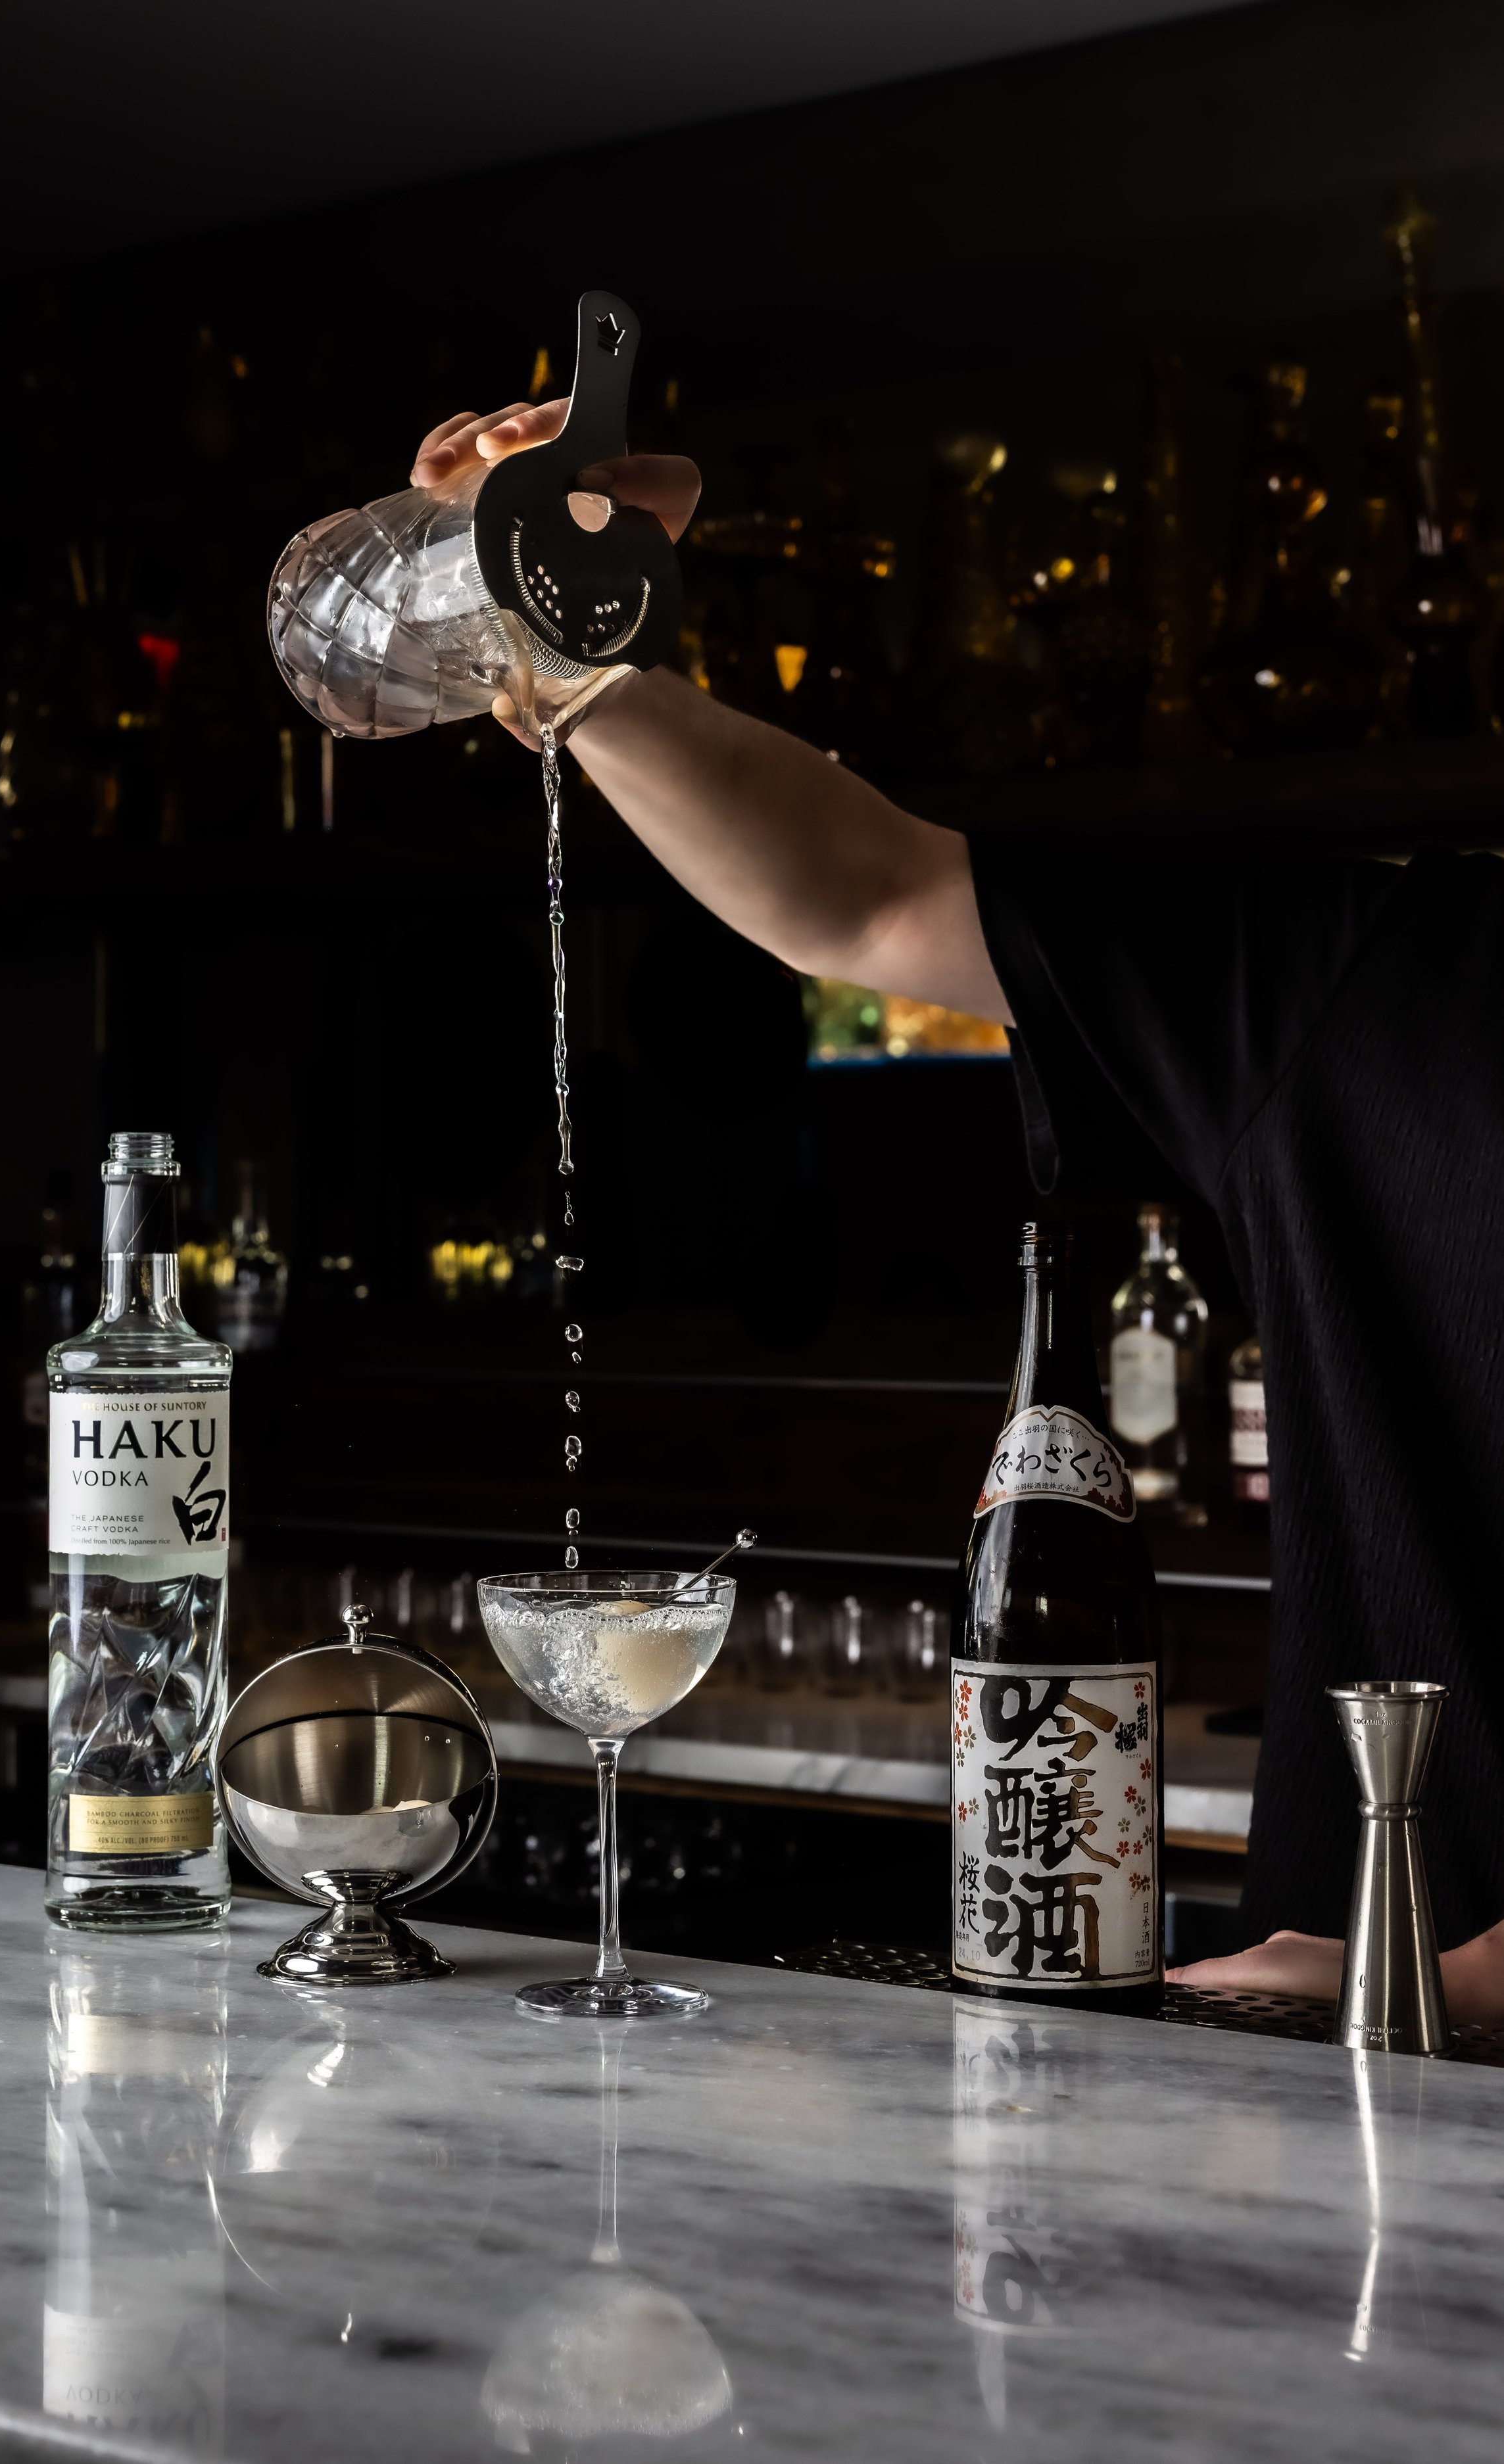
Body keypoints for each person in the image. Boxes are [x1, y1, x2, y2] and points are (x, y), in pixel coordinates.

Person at [410, 398, 1504, 2023]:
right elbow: (868, 894)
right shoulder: (1387, 983)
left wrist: (1456, 1972)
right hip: (1339, 2073)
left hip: (1389, 2004)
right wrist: (562, 645)